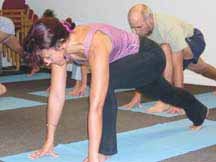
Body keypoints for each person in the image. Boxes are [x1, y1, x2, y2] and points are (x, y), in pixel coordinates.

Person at [23, 16, 208, 162]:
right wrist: (49, 142)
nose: (46, 62)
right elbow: (56, 96)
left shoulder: (96, 43)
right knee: (165, 92)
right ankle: (199, 111)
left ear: (61, 44)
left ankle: (106, 149)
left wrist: (94, 155)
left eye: (47, 57)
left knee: (105, 82)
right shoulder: (59, 49)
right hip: (129, 66)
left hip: (149, 55)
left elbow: (96, 104)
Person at [124, 4, 216, 113]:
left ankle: (166, 100)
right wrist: (137, 96)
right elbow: (143, 67)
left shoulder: (169, 28)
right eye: (132, 27)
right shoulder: (141, 31)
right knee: (201, 68)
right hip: (174, 47)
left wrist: (179, 101)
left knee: (165, 48)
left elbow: (177, 66)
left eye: (139, 27)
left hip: (193, 39)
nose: (135, 32)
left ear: (149, 19)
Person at [0, 16, 24, 95]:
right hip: (6, 24)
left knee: (19, 49)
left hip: (4, 25)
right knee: (18, 49)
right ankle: (35, 63)